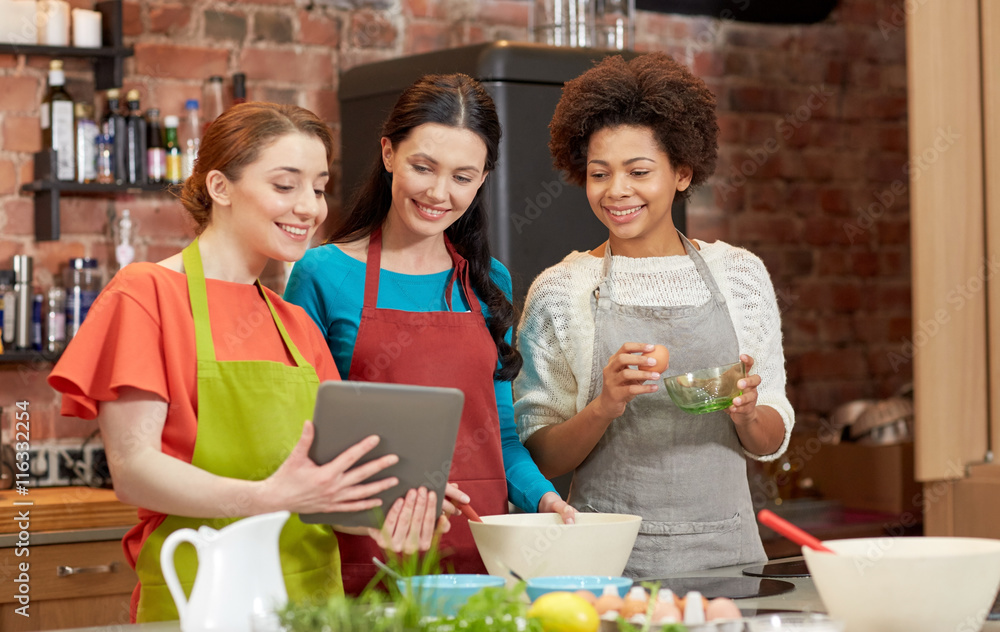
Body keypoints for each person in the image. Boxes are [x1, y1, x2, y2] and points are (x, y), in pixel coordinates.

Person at [48, 102, 450, 623]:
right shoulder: (146, 295)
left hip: (313, 606)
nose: (310, 207)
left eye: (319, 187)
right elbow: (134, 471)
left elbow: (320, 492)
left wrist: (387, 506)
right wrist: (265, 497)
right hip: (203, 600)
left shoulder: (296, 324)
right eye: (286, 186)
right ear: (220, 188)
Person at [284, 73, 576, 594]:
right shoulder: (321, 274)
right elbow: (298, 435)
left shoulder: (489, 282)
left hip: (481, 554)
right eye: (423, 167)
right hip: (368, 553)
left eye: (463, 176)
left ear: (484, 178)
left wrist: (543, 497)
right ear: (388, 152)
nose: (440, 193)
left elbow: (501, 436)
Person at [513, 53, 795, 578]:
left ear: (682, 172)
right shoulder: (560, 290)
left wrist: (747, 414)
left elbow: (772, 439)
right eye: (600, 174)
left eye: (638, 171)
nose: (616, 191)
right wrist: (604, 405)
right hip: (606, 563)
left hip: (730, 557)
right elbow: (539, 457)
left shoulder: (740, 275)